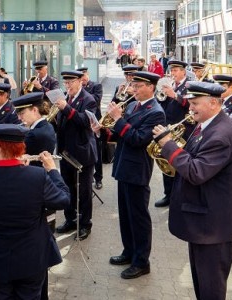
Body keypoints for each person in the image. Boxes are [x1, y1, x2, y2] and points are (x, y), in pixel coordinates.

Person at [152, 81, 232, 299]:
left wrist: (168, 144)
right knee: (202, 283)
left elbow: (196, 171)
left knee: (211, 288)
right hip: (203, 222)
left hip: (212, 226)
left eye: (195, 103)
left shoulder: (221, 134)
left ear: (213, 103)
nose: (190, 108)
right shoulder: (208, 125)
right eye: (190, 103)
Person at [0, 124, 70, 300]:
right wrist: (52, 170)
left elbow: (5, 183)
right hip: (31, 260)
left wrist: (19, 168)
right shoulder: (38, 176)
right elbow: (63, 199)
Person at [97, 71, 165, 279]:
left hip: (137, 170)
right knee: (125, 216)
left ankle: (142, 261)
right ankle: (129, 252)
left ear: (151, 87)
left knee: (138, 218)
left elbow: (137, 139)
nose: (133, 89)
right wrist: (104, 128)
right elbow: (121, 134)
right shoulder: (135, 105)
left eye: (138, 86)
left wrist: (118, 119)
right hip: (124, 167)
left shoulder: (155, 112)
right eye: (133, 85)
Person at [11, 92, 57, 300]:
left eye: (22, 112)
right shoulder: (43, 126)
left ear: (34, 110)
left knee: (36, 252)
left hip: (36, 194)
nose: (20, 117)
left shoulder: (36, 134)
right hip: (42, 191)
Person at [54, 71, 97, 241]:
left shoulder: (88, 99)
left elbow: (85, 122)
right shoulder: (67, 98)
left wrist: (65, 108)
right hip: (65, 152)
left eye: (71, 82)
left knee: (84, 191)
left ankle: (86, 224)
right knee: (67, 188)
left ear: (80, 81)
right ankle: (70, 219)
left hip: (82, 152)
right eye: (65, 83)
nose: (68, 86)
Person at [155, 60, 194, 208]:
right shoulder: (171, 85)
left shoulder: (189, 86)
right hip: (168, 127)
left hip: (184, 130)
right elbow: (162, 103)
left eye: (176, 70)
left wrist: (175, 95)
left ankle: (181, 196)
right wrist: (163, 95)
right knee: (166, 160)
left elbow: (191, 105)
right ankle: (168, 195)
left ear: (184, 71)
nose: (173, 73)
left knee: (181, 162)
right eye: (172, 70)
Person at [77, 67, 104, 189]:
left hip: (95, 122)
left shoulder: (96, 86)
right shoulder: (78, 88)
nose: (83, 77)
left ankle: (98, 178)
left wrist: (81, 91)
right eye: (80, 76)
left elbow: (96, 99)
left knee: (96, 150)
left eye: (84, 75)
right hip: (82, 123)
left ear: (87, 74)